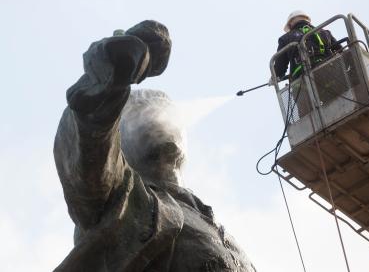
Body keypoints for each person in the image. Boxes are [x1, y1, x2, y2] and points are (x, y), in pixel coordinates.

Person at [54, 20, 256, 272]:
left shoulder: (212, 225)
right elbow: (88, 152)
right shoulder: (123, 204)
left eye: (165, 112)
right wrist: (111, 74)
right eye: (144, 112)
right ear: (120, 138)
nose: (160, 119)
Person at [274, 11, 342, 118]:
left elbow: (279, 66)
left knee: (308, 114)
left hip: (302, 81)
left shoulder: (286, 38)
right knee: (336, 102)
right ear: (307, 20)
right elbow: (341, 51)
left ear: (290, 24)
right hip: (330, 74)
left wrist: (276, 77)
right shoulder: (324, 32)